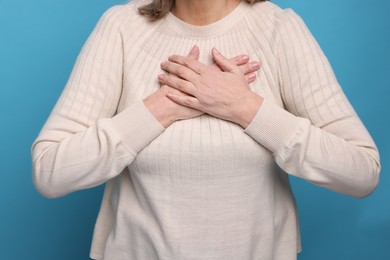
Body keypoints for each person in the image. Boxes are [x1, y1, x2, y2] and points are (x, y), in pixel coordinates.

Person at [31, 0, 381, 259]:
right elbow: (51, 171)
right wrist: (161, 107)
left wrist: (244, 107)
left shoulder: (280, 29)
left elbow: (361, 172)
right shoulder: (121, 27)